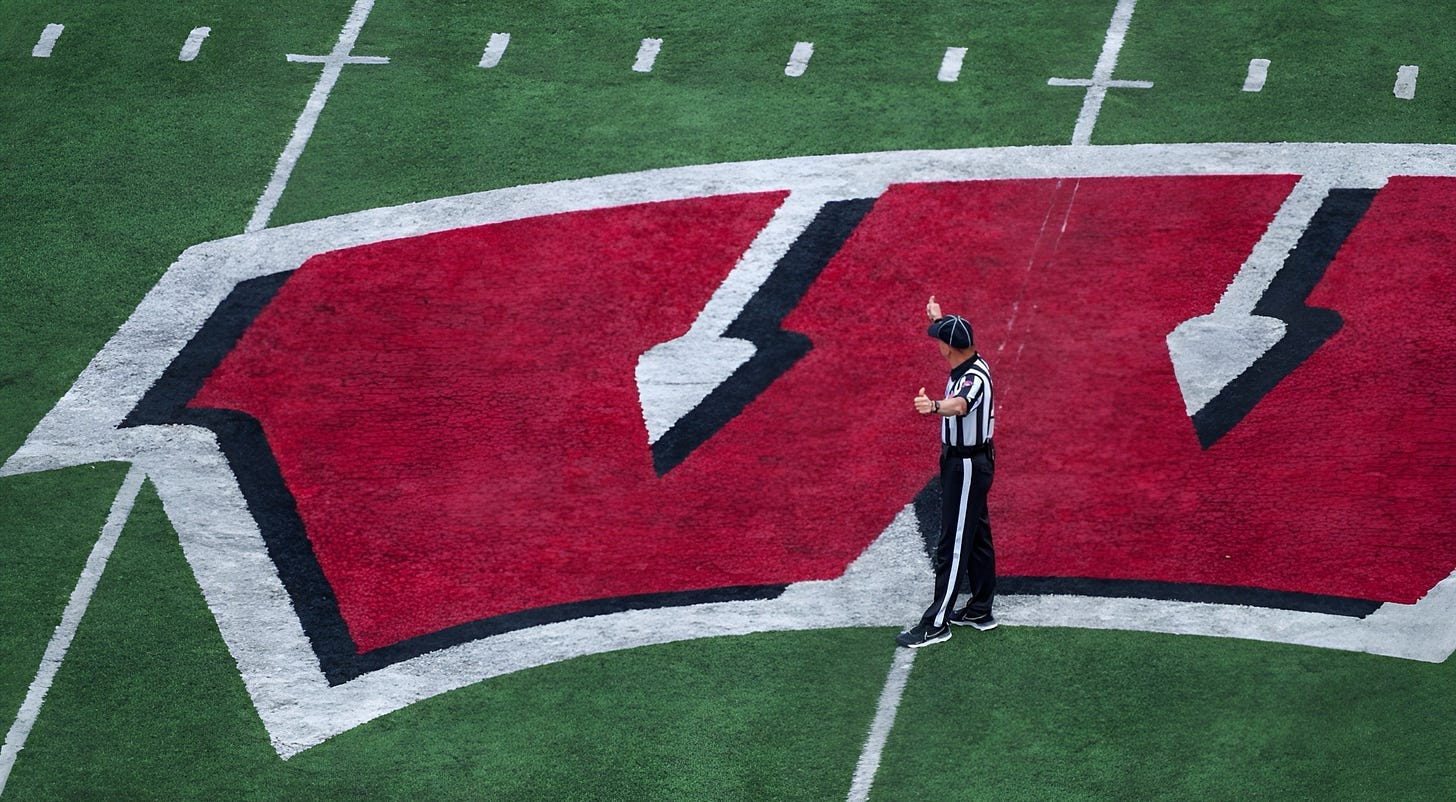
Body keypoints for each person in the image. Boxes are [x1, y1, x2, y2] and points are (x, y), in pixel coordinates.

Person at [896, 295, 997, 648]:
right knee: (978, 536)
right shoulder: (968, 362)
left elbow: (961, 404)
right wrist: (940, 318)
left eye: (940, 338)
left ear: (951, 348)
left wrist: (934, 407)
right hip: (968, 461)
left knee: (953, 543)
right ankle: (981, 609)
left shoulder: (973, 380)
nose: (936, 343)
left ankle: (937, 622)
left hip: (967, 464)